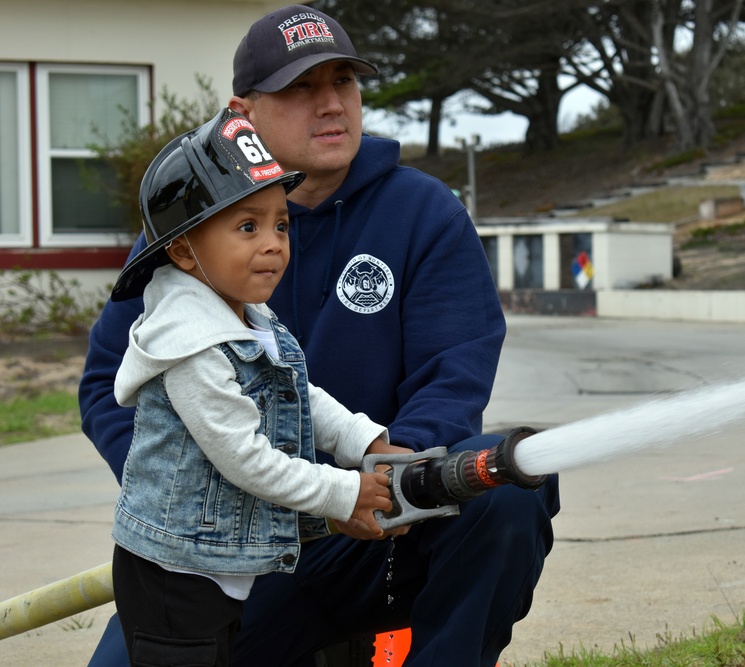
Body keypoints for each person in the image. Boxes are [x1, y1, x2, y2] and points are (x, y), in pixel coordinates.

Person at [79, 5, 560, 666]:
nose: (332, 104)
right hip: (233, 551)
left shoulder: (425, 216)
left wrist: (387, 481)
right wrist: (193, 506)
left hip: (377, 533)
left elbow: (450, 380)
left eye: (344, 82)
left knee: (504, 482)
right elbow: (110, 385)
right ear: (241, 113)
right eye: (302, 87)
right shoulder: (190, 231)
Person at [107, 107, 404, 666]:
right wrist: (342, 491)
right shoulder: (191, 342)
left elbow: (302, 395)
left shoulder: (249, 319)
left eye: (281, 225)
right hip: (176, 574)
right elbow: (243, 457)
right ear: (181, 249)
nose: (273, 244)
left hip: (225, 561)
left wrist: (367, 441)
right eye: (248, 227)